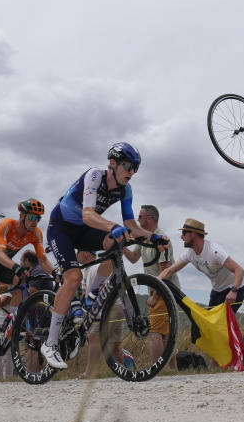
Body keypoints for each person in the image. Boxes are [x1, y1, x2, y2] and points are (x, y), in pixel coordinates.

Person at [40, 142, 166, 370]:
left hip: (84, 229)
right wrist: (112, 225)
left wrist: (152, 236)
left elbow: (130, 224)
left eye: (135, 169)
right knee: (73, 278)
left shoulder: (125, 190)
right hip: (62, 228)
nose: (131, 172)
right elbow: (88, 215)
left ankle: (91, 296)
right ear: (113, 163)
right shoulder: (94, 176)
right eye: (128, 166)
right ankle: (50, 343)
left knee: (115, 244)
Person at [0, 199, 54, 368]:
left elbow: (42, 259)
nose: (34, 221)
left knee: (20, 282)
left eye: (38, 218)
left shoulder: (35, 233)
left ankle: (14, 320)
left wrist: (56, 273)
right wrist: (16, 267)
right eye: (31, 217)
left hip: (2, 267)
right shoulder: (6, 225)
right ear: (21, 215)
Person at [123, 204, 180, 366]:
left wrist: (155, 296)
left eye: (140, 217)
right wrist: (121, 248)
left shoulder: (161, 238)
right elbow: (134, 257)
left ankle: (156, 368)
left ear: (149, 218)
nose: (137, 220)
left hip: (165, 290)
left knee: (155, 332)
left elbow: (165, 271)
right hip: (156, 290)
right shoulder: (144, 237)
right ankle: (170, 369)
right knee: (166, 334)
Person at [158, 219, 244, 312]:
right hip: (217, 290)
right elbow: (169, 271)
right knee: (208, 324)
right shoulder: (189, 254)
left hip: (234, 289)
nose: (181, 237)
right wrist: (154, 283)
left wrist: (233, 291)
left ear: (193, 234)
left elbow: (239, 270)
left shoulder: (214, 251)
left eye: (184, 233)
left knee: (220, 324)